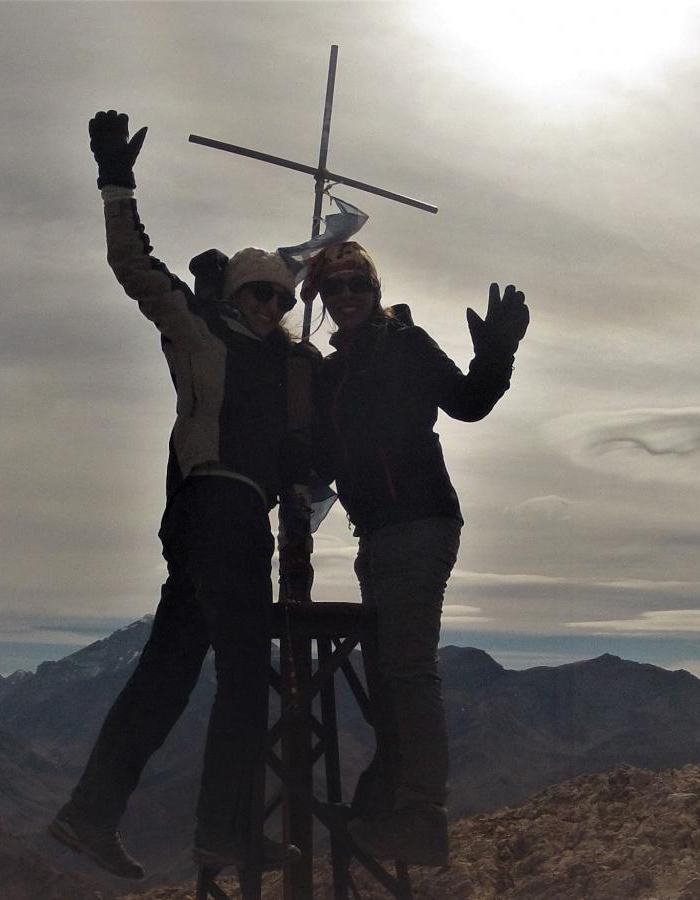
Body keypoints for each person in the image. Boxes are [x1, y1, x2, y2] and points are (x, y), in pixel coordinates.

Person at [48, 110, 303, 877]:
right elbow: (134, 266)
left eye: (282, 301)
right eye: (260, 294)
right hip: (221, 512)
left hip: (208, 521)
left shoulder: (281, 366)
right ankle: (223, 834)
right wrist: (116, 182)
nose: (270, 309)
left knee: (166, 675)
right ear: (234, 290)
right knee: (244, 682)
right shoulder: (198, 331)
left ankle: (89, 815)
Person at [305, 241, 529, 866]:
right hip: (376, 533)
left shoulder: (404, 342)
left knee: (405, 669)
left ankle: (421, 815)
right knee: (387, 673)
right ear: (322, 301)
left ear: (375, 290)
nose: (347, 296)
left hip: (422, 521)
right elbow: (321, 460)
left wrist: (498, 351)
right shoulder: (329, 373)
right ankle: (391, 800)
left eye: (357, 284)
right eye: (335, 289)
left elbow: (468, 402)